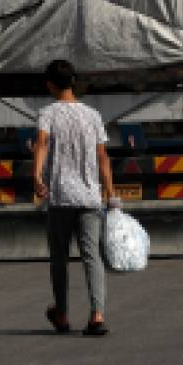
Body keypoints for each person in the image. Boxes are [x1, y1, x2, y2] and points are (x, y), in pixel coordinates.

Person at [31, 59, 116, 336]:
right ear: (73, 82)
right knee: (92, 257)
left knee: (60, 258)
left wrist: (37, 176)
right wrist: (111, 194)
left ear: (50, 85)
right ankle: (97, 315)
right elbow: (102, 156)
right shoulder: (92, 115)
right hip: (90, 197)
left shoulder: (48, 114)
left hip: (61, 197)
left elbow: (42, 142)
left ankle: (62, 314)